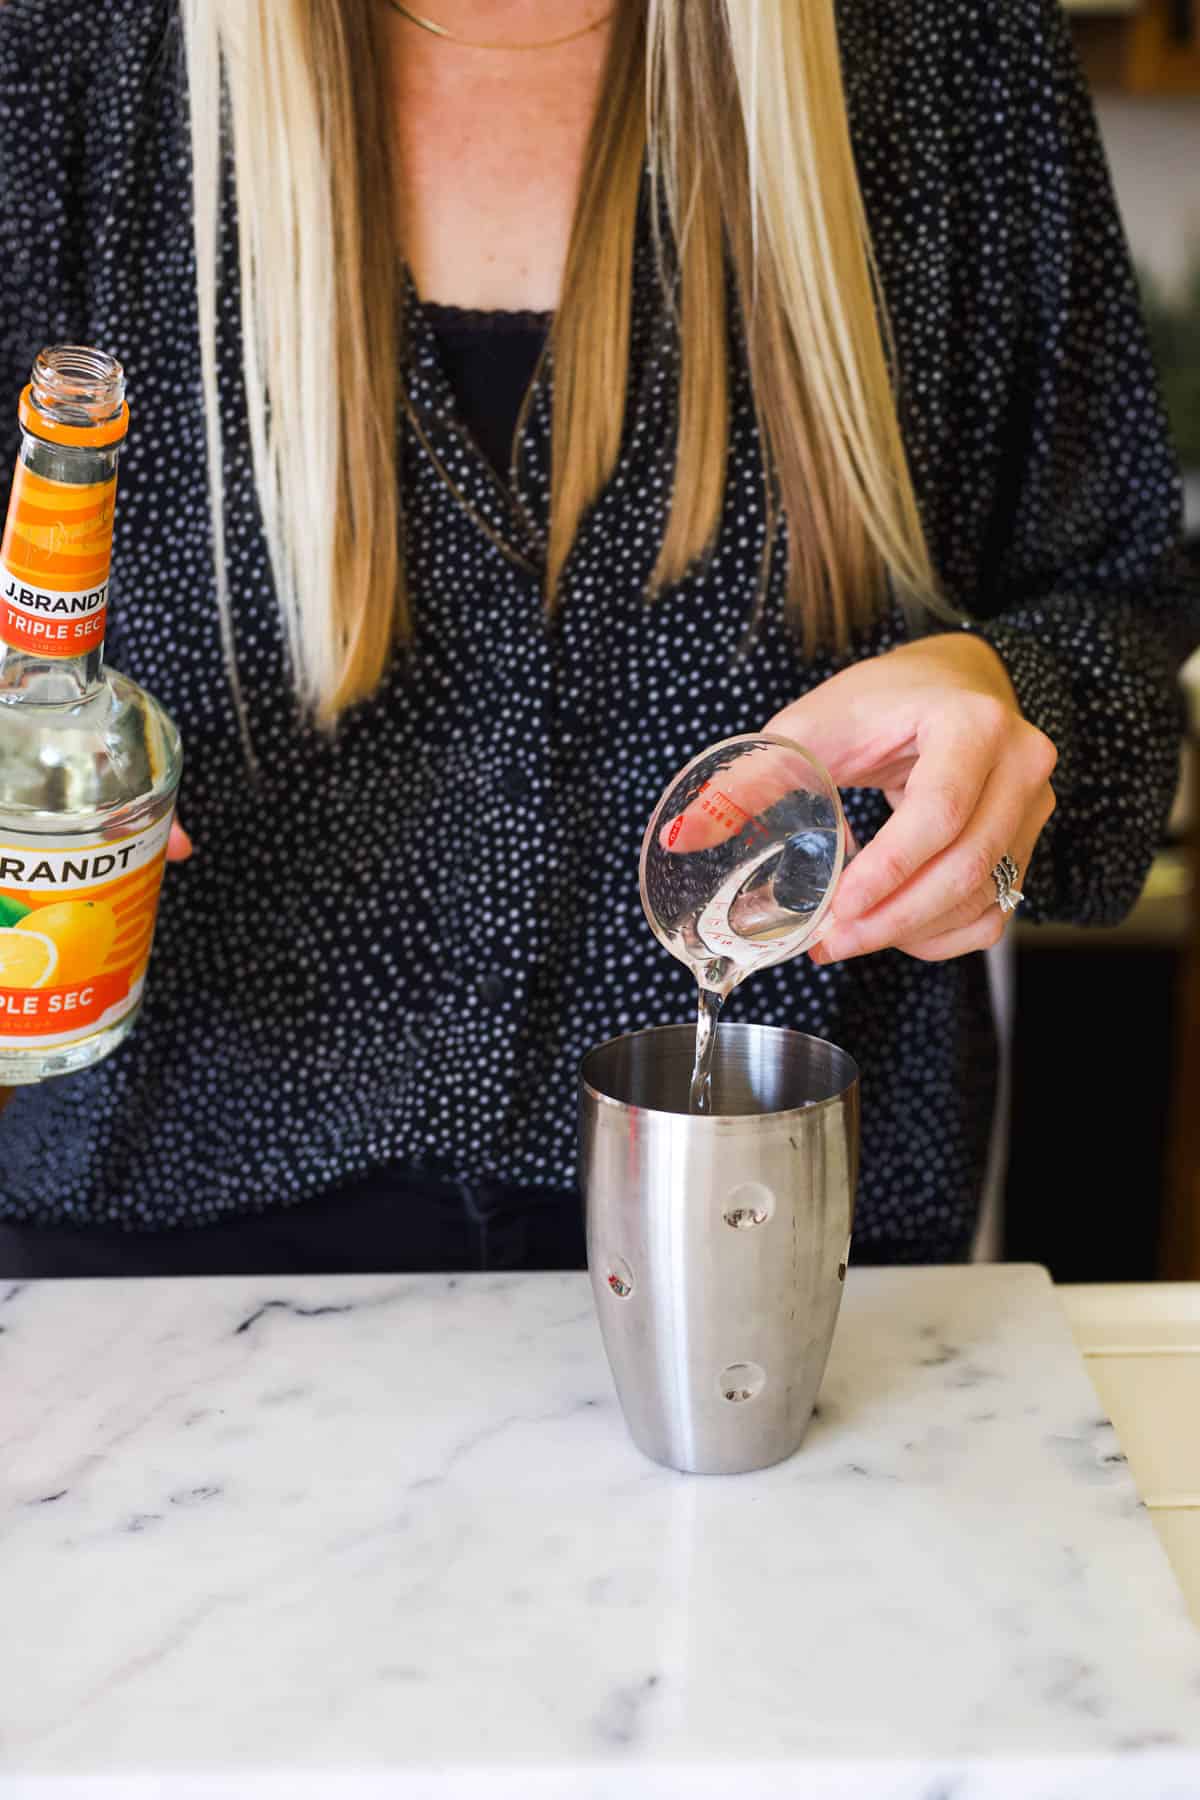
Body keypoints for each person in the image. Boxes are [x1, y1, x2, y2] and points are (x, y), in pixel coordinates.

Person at [0, 0, 1194, 1278]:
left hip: (768, 1246)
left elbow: (1120, 602)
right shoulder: (64, 49)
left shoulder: (946, 50)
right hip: (157, 1238)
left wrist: (1003, 693)